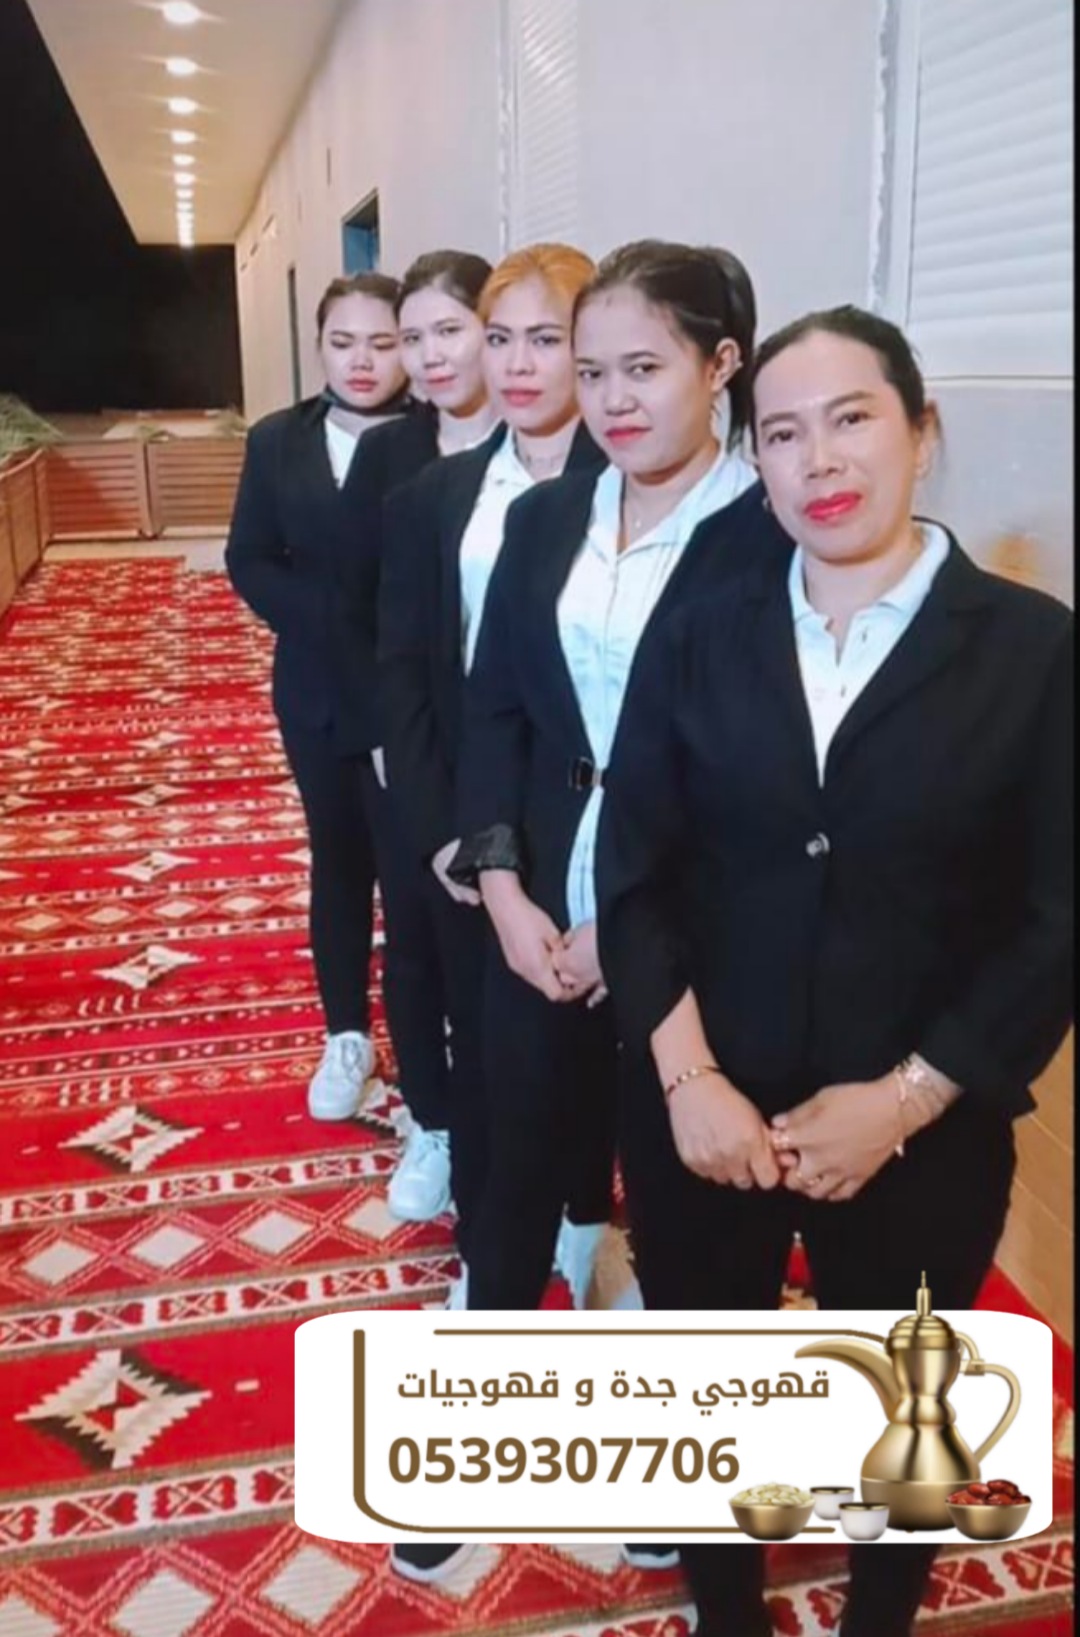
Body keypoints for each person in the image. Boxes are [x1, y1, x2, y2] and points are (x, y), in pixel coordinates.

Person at [596, 306, 1073, 1637]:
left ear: (923, 431)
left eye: (852, 418)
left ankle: (878, 1611)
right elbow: (632, 869)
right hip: (706, 1102)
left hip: (923, 1117)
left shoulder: (1035, 650)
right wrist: (686, 1077)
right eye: (783, 434)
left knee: (901, 1407)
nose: (818, 460)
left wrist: (907, 1098)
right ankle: (727, 1610)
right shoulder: (700, 631)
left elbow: (1058, 916)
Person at [452, 240, 790, 1327]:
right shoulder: (546, 517)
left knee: (681, 1187)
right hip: (537, 900)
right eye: (591, 371)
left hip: (691, 917)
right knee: (513, 1152)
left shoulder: (772, 540)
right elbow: (495, 708)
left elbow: (767, 782)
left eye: (643, 369)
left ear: (720, 364)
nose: (612, 400)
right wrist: (502, 887)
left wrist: (636, 926)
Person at [379, 242, 604, 1315]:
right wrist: (445, 829)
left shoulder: (633, 485)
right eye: (500, 337)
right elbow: (405, 671)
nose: (516, 365)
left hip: (592, 810)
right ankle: (491, 1246)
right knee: (489, 1048)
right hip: (471, 818)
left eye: (545, 340)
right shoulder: (438, 494)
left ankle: (586, 1219)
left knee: (595, 1039)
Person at [225, 272, 413, 1124]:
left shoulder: (436, 439)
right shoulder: (278, 440)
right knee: (338, 859)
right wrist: (332, 621)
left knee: (412, 873)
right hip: (315, 691)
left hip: (409, 699)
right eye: (344, 343)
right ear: (319, 346)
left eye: (383, 342)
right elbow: (249, 557)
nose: (362, 361)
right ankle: (346, 1034)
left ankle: (430, 1036)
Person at [346, 249, 497, 1222]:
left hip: (512, 744)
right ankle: (434, 1122)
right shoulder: (390, 456)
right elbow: (358, 610)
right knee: (414, 936)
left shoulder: (553, 444)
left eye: (450, 329)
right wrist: (384, 740)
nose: (431, 355)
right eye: (414, 337)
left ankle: (525, 1132)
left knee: (502, 944)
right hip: (406, 741)